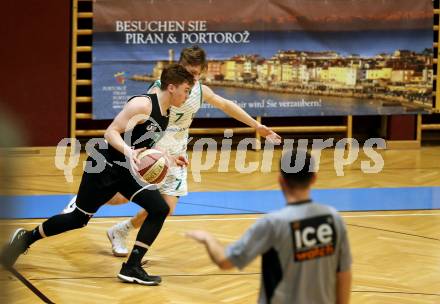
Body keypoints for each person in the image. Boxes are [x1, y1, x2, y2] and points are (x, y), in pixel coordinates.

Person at [63, 45, 282, 256]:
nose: (192, 77)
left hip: (177, 153)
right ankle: (83, 198)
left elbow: (225, 105)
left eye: (196, 73)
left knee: (166, 207)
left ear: (203, 71)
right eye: (188, 72)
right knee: (122, 197)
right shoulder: (161, 87)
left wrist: (256, 126)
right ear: (179, 67)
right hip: (154, 149)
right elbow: (146, 118)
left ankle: (121, 231)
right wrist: (150, 152)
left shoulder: (200, 90)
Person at [0, 64, 195, 286]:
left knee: (160, 208)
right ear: (171, 87)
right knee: (78, 220)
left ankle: (132, 267)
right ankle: (25, 239)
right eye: (186, 90)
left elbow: (146, 145)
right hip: (104, 165)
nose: (187, 95)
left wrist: (169, 157)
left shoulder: (167, 113)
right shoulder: (142, 104)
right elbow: (110, 132)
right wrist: (129, 152)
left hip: (126, 169)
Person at [186, 149, 352, 304]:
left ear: (280, 180)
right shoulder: (334, 218)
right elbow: (344, 273)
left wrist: (208, 239)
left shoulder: (273, 224)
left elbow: (225, 262)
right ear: (314, 178)